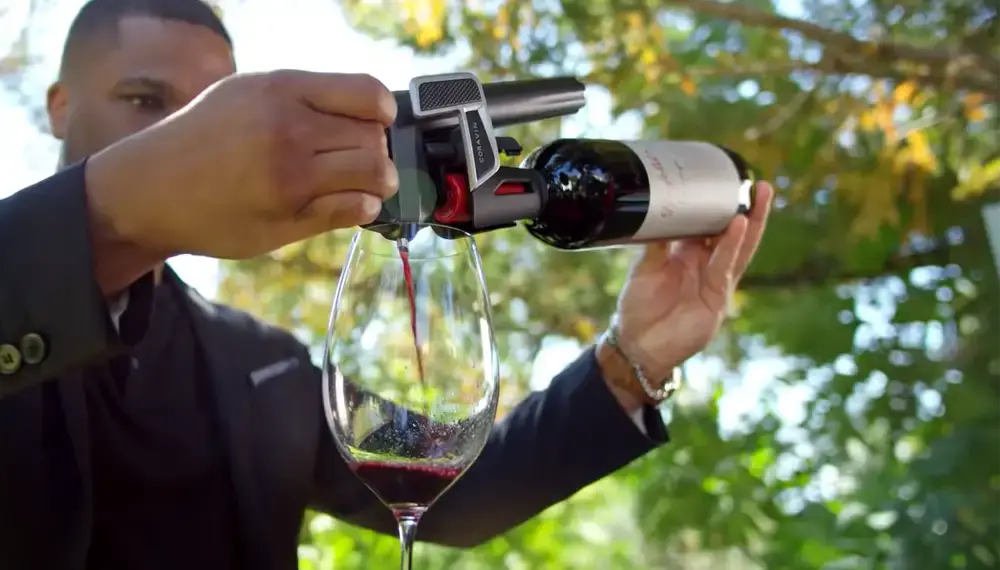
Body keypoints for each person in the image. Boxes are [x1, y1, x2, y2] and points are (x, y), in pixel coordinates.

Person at [0, 0, 773, 569]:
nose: (180, 136)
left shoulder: (259, 365)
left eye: (203, 113)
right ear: (59, 107)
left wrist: (630, 360)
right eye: (146, 101)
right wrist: (118, 212)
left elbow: (459, 492)